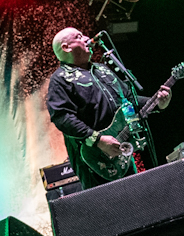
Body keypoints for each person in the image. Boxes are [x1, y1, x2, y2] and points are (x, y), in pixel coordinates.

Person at [45, 27, 171, 189]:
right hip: (92, 157)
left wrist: (157, 103)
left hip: (120, 148)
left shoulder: (102, 69)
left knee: (135, 195)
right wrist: (98, 139)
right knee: (106, 204)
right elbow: (62, 117)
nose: (87, 38)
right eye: (79, 36)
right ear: (66, 47)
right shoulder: (60, 79)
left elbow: (129, 99)